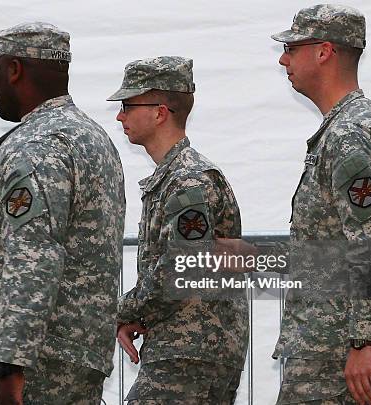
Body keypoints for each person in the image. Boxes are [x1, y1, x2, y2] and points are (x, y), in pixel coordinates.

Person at [0, 22, 126, 405]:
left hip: (32, 365)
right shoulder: (93, 139)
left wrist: (8, 362)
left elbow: (34, 257)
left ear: (14, 70)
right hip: (78, 359)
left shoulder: (35, 146)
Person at [270, 4, 371, 405]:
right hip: (332, 344)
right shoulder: (349, 128)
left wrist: (362, 339)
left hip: (335, 353)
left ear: (323, 52)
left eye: (292, 47)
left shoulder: (350, 134)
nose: (283, 58)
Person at [107, 56, 248, 404]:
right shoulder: (174, 178)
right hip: (186, 344)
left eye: (128, 105)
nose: (119, 116)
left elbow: (182, 267)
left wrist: (123, 310)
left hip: (191, 350)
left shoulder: (188, 181)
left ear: (159, 112)